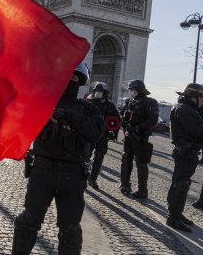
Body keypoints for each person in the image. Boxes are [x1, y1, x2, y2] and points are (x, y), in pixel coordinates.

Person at [12, 63, 104, 255]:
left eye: (74, 77)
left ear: (81, 80)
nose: (69, 80)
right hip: (42, 171)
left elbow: (95, 133)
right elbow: (20, 120)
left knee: (70, 229)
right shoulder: (42, 102)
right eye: (66, 75)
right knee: (28, 221)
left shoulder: (88, 109)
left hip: (72, 174)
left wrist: (71, 117)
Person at [166, 83, 203, 232]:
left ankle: (176, 213)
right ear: (192, 96)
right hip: (185, 152)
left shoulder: (190, 109)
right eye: (201, 97)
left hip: (189, 152)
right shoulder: (184, 110)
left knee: (180, 183)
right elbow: (197, 129)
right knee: (181, 184)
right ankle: (173, 218)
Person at [119, 79, 159, 199]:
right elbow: (125, 117)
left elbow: (153, 120)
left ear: (139, 89)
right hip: (129, 136)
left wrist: (138, 128)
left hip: (141, 137)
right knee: (126, 158)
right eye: (130, 90)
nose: (131, 92)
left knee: (141, 163)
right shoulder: (130, 102)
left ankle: (142, 190)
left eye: (133, 90)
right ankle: (125, 185)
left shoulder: (151, 102)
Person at [87, 82, 121, 189]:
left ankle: (93, 179)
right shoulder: (90, 101)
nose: (98, 93)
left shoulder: (110, 105)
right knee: (85, 155)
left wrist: (112, 130)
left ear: (105, 93)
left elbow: (116, 120)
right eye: (96, 91)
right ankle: (81, 176)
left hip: (103, 135)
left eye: (100, 91)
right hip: (90, 133)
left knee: (99, 157)